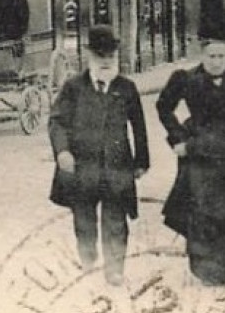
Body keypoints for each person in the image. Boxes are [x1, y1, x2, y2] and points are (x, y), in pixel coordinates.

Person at [48, 26, 152, 285]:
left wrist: (142, 161)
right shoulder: (74, 88)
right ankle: (88, 259)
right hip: (82, 167)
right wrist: (62, 151)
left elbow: (138, 126)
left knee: (116, 220)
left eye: (110, 56)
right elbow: (57, 122)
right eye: (100, 56)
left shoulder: (126, 88)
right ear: (89, 57)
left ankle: (115, 268)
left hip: (117, 167)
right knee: (84, 220)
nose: (106, 61)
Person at [157, 35, 225, 285]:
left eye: (221, 57)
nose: (216, 62)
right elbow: (164, 107)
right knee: (201, 209)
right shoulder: (185, 78)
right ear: (202, 56)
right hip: (198, 148)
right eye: (211, 57)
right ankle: (205, 268)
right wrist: (177, 139)